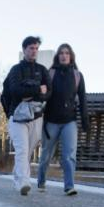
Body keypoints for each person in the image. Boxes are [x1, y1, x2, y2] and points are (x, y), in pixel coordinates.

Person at [36, 43, 89, 195]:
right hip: (51, 121)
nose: (64, 55)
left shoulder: (78, 76)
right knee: (46, 155)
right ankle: (41, 181)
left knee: (69, 155)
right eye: (61, 53)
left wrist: (85, 122)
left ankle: (69, 186)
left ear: (71, 56)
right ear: (58, 56)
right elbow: (42, 95)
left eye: (67, 53)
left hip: (69, 122)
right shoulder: (50, 73)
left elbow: (83, 100)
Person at [1, 36, 50, 195]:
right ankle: (23, 182)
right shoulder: (16, 70)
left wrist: (32, 93)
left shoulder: (42, 70)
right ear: (24, 50)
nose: (34, 51)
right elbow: (15, 90)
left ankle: (18, 179)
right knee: (22, 150)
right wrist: (37, 90)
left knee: (27, 152)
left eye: (36, 48)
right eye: (31, 48)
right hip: (17, 116)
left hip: (36, 116)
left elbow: (48, 92)